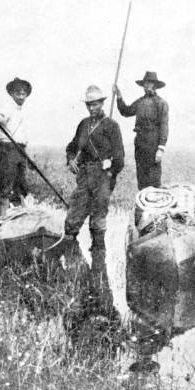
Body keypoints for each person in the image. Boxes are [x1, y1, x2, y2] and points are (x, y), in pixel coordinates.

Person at [64, 85, 124, 315]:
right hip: (84, 176)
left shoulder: (111, 126)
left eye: (96, 103)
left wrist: (109, 174)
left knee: (98, 220)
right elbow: (71, 147)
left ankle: (99, 260)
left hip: (102, 176)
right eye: (89, 104)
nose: (93, 107)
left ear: (102, 103)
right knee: (73, 219)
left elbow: (119, 158)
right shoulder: (83, 124)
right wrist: (70, 159)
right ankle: (73, 254)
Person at [113, 71, 168, 190]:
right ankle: (143, 206)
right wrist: (119, 96)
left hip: (153, 144)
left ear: (155, 85)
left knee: (154, 178)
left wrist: (161, 148)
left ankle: (155, 206)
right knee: (141, 177)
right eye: (145, 84)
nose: (147, 86)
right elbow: (126, 111)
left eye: (149, 83)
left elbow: (164, 126)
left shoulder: (161, 103)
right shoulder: (140, 102)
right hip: (140, 143)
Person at [0, 77, 32, 217]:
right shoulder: (7, 107)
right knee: (7, 181)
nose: (21, 96)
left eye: (23, 93)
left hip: (20, 149)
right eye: (18, 93)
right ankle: (2, 216)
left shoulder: (23, 111)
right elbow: (0, 117)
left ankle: (21, 213)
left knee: (21, 182)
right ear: (12, 94)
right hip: (7, 148)